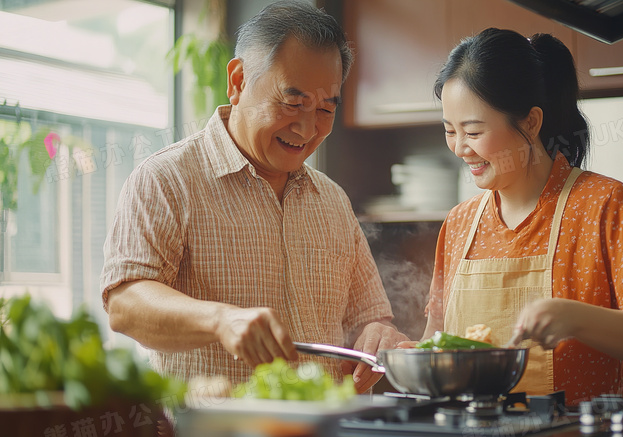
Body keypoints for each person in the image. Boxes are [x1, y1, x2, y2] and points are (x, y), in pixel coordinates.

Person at [100, 0, 408, 394]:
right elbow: (125, 305)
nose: (306, 128)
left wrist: (380, 335)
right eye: (292, 102)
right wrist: (219, 320)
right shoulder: (167, 179)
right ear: (239, 80)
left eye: (325, 110)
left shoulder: (331, 199)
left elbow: (370, 319)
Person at [419, 28, 623, 404]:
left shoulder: (604, 204)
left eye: (474, 131)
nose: (460, 148)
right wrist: (401, 350)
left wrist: (575, 318)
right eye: (450, 130)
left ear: (530, 122)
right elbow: (436, 343)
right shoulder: (460, 223)